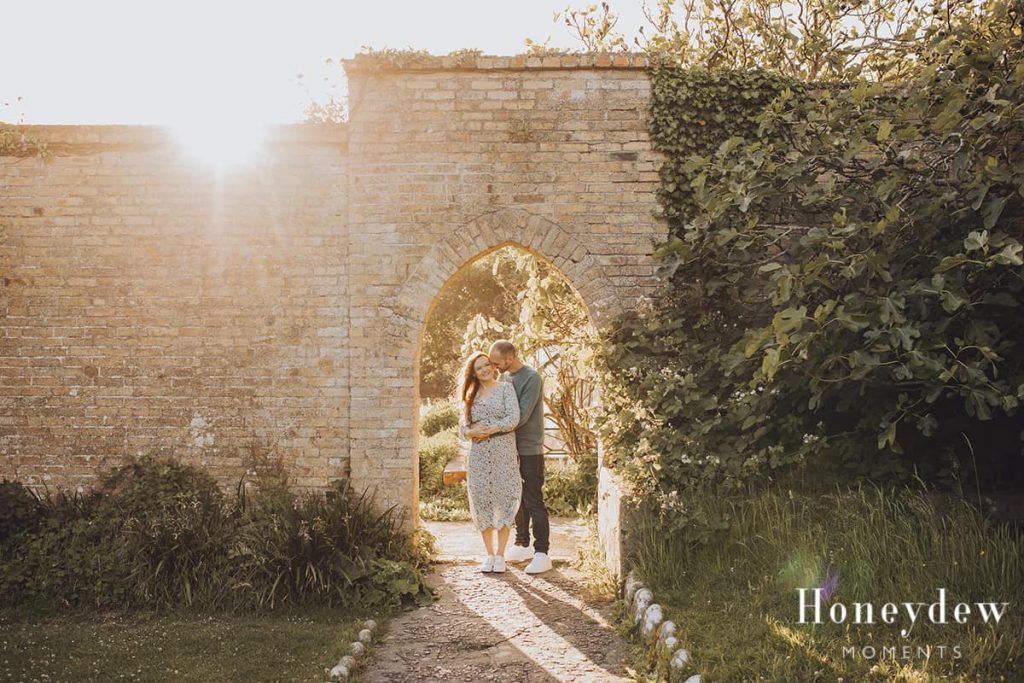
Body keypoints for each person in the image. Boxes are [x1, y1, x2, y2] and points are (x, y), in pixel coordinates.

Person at [486, 339, 552, 574]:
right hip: (509, 446)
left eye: (497, 362)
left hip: (529, 448)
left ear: (510, 357)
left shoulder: (531, 377)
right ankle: (522, 542)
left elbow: (520, 416)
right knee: (515, 497)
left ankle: (542, 552)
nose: (494, 367)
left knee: (533, 499)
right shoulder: (504, 378)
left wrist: (491, 427)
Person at [458, 351, 522, 573]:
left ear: (492, 366)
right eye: (479, 368)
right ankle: (489, 555)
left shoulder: (505, 389)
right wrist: (473, 432)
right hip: (479, 456)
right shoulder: (470, 395)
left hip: (503, 450)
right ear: (473, 373)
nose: (484, 369)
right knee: (482, 499)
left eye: (486, 365)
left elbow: (513, 418)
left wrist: (490, 429)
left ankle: (501, 555)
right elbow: (462, 428)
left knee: (504, 498)